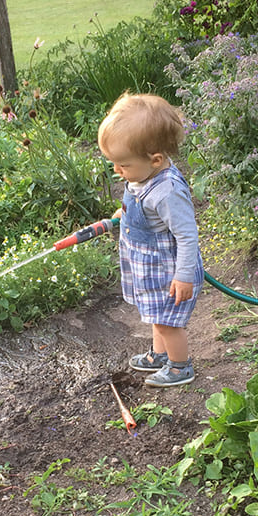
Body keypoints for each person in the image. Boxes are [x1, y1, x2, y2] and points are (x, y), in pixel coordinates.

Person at [98, 93, 204, 387]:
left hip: (169, 272)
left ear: (155, 159)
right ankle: (160, 355)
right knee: (157, 315)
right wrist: (123, 214)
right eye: (114, 164)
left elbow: (186, 235)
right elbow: (137, 203)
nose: (118, 172)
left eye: (123, 165)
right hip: (151, 267)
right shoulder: (141, 175)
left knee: (168, 322)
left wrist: (184, 276)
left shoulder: (167, 191)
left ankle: (181, 366)